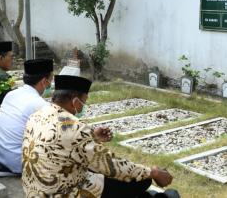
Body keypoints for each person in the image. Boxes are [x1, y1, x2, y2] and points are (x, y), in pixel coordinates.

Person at [22, 75, 175, 198]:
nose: (83, 106)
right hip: (62, 193)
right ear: (75, 101)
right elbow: (111, 166)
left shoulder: (36, 115)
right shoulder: (75, 127)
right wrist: (152, 172)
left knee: (100, 172)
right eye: (84, 101)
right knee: (140, 180)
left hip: (34, 190)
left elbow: (62, 146)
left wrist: (92, 137)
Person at [0, 58, 54, 177]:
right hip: (17, 163)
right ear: (44, 81)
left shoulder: (11, 94)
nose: (50, 84)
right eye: (50, 79)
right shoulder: (39, 104)